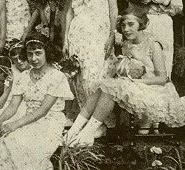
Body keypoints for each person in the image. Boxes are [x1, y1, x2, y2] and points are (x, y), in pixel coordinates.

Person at [66, 13, 185, 146]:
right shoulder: (127, 44)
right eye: (123, 25)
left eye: (131, 24)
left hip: (155, 89)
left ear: (141, 24)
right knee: (103, 87)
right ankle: (73, 132)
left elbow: (163, 78)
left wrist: (137, 82)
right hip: (134, 86)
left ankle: (87, 133)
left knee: (111, 89)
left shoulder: (153, 44)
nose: (126, 29)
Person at [0, 33, 73, 170]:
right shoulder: (24, 76)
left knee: (22, 140)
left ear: (47, 53)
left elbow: (43, 110)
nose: (33, 58)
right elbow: (12, 106)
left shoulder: (57, 77)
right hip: (27, 118)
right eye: (30, 54)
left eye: (38, 53)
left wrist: (14, 125)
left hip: (49, 121)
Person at [63, 0, 123, 106]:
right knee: (78, 73)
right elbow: (69, 12)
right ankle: (83, 117)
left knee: (95, 74)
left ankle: (98, 120)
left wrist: (112, 35)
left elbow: (113, 11)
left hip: (99, 33)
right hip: (77, 34)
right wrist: (65, 40)